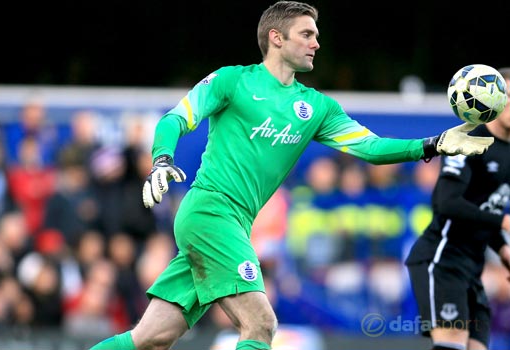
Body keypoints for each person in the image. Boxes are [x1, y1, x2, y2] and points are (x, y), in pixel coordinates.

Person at [89, 2, 495, 349]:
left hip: (233, 224)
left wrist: (434, 143)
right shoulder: (234, 80)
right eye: (307, 33)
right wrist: (162, 160)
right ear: (276, 38)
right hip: (210, 212)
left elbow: (370, 148)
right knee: (261, 323)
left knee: (150, 338)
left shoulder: (316, 108)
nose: (317, 42)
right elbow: (177, 119)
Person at [405, 68, 510, 350]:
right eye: (508, 97)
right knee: (451, 344)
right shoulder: (471, 141)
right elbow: (446, 203)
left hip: (472, 266)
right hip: (442, 259)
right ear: (494, 101)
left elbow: (483, 210)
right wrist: (503, 222)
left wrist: (502, 250)